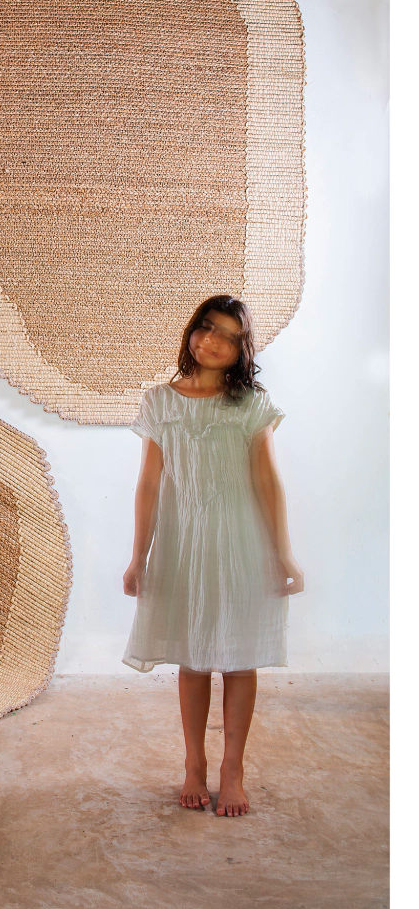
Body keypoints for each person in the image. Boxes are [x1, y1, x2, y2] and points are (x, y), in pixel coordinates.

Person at [122, 295, 304, 817]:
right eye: (207, 328)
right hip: (184, 545)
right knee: (194, 659)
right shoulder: (159, 400)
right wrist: (140, 557)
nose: (213, 341)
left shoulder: (250, 405)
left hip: (241, 542)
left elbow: (268, 482)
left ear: (243, 349)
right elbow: (149, 484)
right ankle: (193, 766)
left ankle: (233, 769)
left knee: (239, 661)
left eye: (228, 335)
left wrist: (283, 555)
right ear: (192, 331)